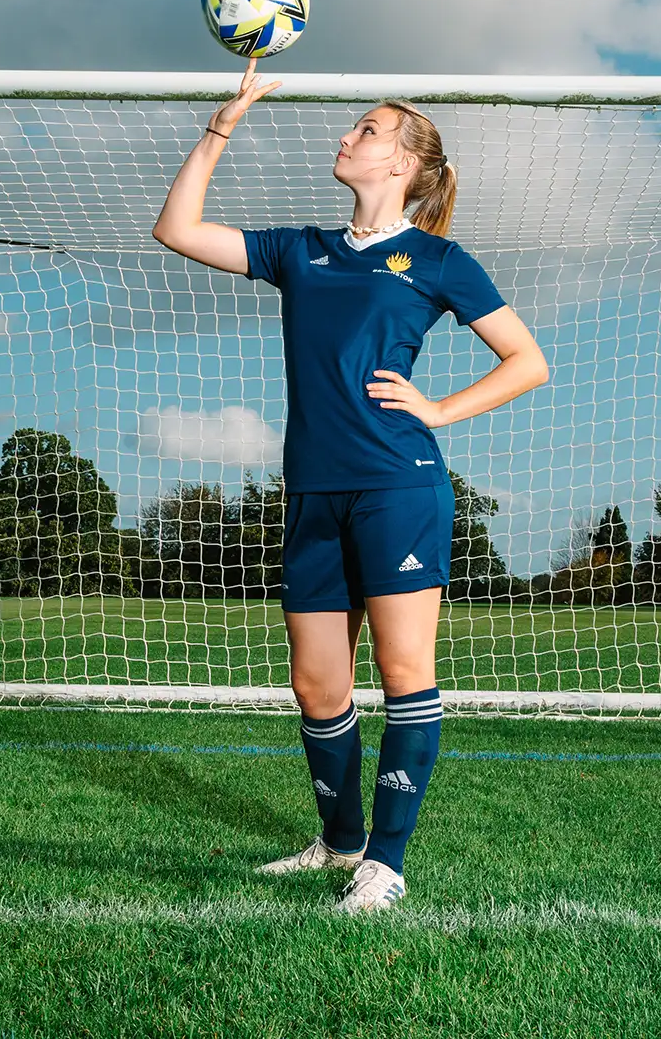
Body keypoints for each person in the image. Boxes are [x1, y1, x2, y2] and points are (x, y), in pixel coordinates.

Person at [152, 58, 549, 913]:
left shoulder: (438, 260)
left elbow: (528, 361)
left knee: (404, 669)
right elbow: (178, 229)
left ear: (402, 163)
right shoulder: (304, 250)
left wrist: (439, 409)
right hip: (312, 492)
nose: (347, 135)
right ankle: (338, 844)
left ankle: (387, 865)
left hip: (397, 485)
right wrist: (222, 126)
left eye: (366, 130)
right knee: (317, 685)